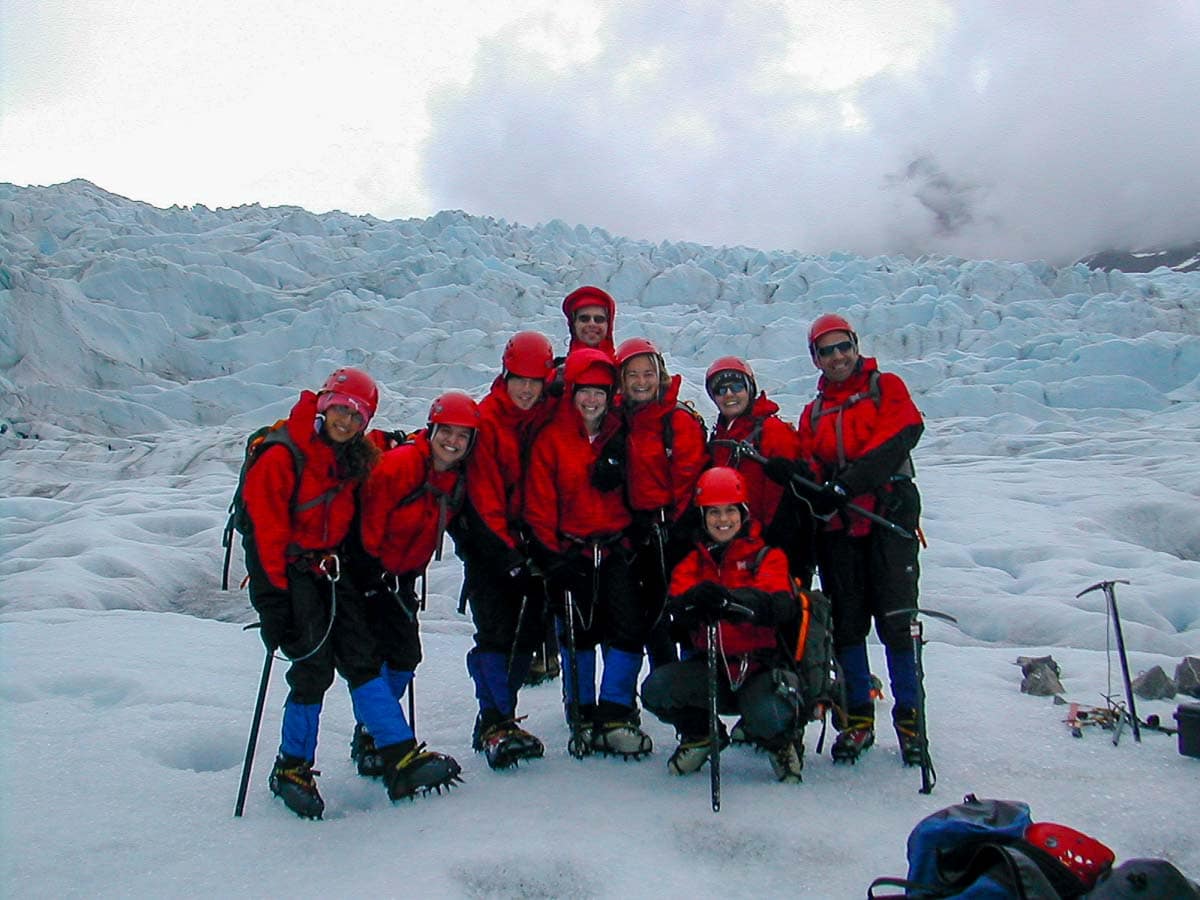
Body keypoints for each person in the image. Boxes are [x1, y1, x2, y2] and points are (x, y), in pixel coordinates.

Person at [242, 368, 459, 819]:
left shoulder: (354, 453)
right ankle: (291, 767)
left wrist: (412, 441)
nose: (346, 419)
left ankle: (398, 754)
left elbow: (383, 451)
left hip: (331, 573)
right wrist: (273, 605)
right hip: (292, 576)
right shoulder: (283, 456)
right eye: (340, 408)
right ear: (323, 404)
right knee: (312, 669)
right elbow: (263, 535)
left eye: (356, 413)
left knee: (361, 659)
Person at [787, 313, 925, 765]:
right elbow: (809, 462)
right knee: (848, 626)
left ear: (855, 346)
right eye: (826, 350)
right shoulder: (814, 412)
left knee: (897, 623)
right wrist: (808, 485)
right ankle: (858, 721)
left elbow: (901, 434)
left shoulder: (887, 388)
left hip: (886, 522)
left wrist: (847, 485)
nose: (837, 356)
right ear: (815, 359)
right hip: (841, 531)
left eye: (842, 346)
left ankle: (911, 724)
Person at [523, 348, 652, 759]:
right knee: (576, 631)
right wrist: (551, 558)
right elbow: (539, 505)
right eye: (584, 391)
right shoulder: (552, 439)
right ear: (572, 393)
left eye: (600, 392)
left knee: (626, 629)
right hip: (571, 551)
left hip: (616, 549)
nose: (592, 400)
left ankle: (615, 712)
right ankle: (581, 710)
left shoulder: (621, 432)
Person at [642, 467, 805, 782]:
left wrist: (730, 602)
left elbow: (778, 604)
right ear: (702, 516)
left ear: (744, 513)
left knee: (770, 713)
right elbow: (677, 603)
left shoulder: (765, 556)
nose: (723, 519)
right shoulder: (693, 561)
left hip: (758, 669)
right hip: (713, 669)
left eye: (731, 510)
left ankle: (780, 742)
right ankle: (703, 735)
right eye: (713, 512)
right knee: (657, 689)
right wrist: (695, 602)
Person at [348, 391, 480, 779]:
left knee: (404, 657)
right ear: (432, 429)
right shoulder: (401, 465)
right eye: (447, 432)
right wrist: (370, 577)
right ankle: (386, 742)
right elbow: (368, 519)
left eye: (462, 436)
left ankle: (372, 733)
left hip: (399, 579)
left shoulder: (454, 478)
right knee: (370, 663)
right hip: (368, 574)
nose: (453, 442)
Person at [451, 332, 558, 769]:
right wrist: (509, 557)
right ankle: (494, 721)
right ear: (505, 374)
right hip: (489, 546)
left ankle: (498, 718)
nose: (527, 389)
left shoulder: (541, 416)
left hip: (526, 546)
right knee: (496, 634)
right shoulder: (487, 421)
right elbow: (483, 500)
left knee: (525, 636)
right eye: (520, 379)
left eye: (535, 380)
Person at [614, 336, 708, 670]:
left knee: (680, 611)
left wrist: (681, 531)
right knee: (650, 616)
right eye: (633, 375)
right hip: (640, 532)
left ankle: (687, 684)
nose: (641, 382)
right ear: (622, 381)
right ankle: (664, 683)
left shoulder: (677, 420)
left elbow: (690, 477)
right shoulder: (623, 419)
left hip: (673, 531)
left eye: (647, 373)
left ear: (660, 375)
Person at [704, 356, 815, 587]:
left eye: (736, 386)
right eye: (720, 389)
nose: (729, 394)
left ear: (749, 388)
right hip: (737, 544)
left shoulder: (772, 430)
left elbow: (785, 496)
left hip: (773, 547)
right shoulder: (721, 438)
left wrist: (769, 544)